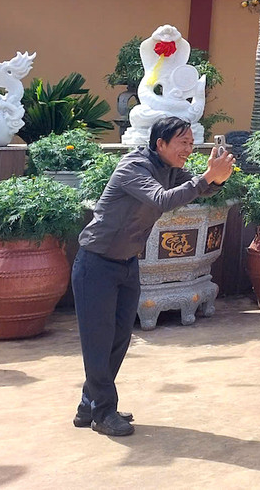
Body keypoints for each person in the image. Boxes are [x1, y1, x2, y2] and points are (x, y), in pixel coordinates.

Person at [72, 117, 235, 435]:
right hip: (96, 264)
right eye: (182, 143)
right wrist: (207, 178)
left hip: (126, 264)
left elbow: (198, 191)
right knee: (98, 342)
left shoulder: (171, 168)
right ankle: (103, 413)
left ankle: (88, 406)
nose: (188, 149)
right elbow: (163, 199)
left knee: (118, 339)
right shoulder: (134, 167)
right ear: (160, 143)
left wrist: (218, 178)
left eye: (191, 143)